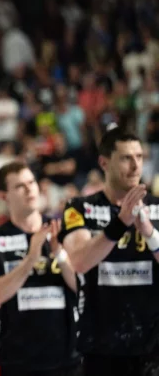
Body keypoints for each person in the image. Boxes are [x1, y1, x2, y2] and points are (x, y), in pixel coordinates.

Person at [58, 127, 159, 376]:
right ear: (104, 162)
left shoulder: (157, 208)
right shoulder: (80, 208)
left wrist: (149, 232)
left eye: (139, 157)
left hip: (153, 346)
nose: (135, 166)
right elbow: (79, 261)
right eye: (126, 158)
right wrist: (120, 224)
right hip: (101, 346)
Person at [0, 162, 80, 376]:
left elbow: (82, 287)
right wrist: (30, 259)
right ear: (3, 195)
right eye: (19, 186)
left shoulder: (61, 230)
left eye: (31, 182)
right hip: (18, 361)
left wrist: (60, 254)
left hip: (66, 359)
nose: (29, 189)